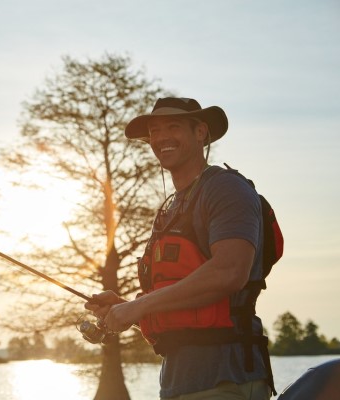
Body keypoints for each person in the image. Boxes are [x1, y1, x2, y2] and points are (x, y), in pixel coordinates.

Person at [85, 97, 274, 399]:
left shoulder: (226, 189)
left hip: (227, 382)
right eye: (155, 131)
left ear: (200, 133)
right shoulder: (169, 209)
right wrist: (125, 309)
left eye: (173, 127)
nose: (160, 138)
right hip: (177, 385)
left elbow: (230, 271)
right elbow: (178, 305)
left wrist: (138, 306)